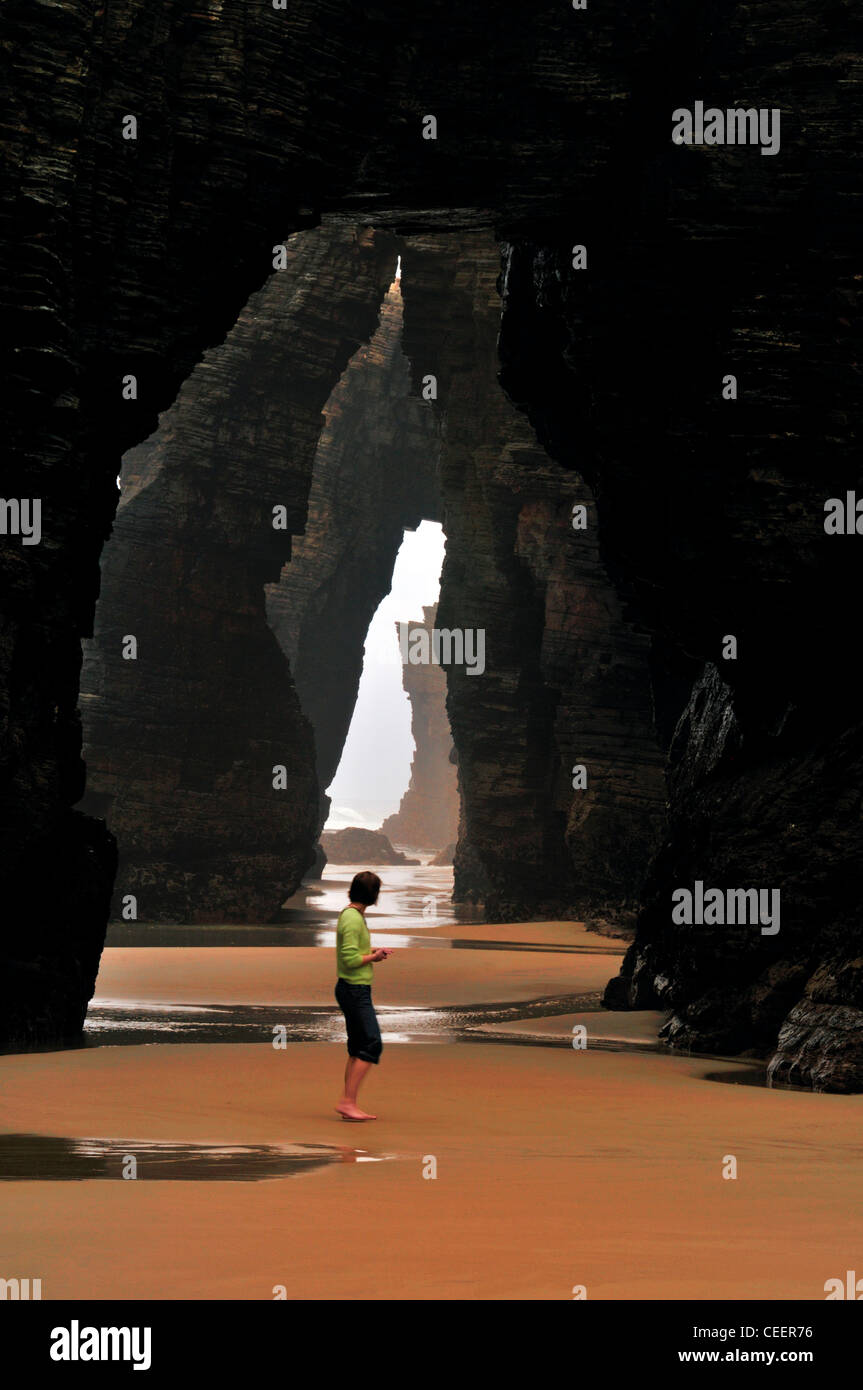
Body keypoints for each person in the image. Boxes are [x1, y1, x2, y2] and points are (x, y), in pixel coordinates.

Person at [334, 870, 391, 1121]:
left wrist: (372, 951)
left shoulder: (352, 915)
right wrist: (374, 957)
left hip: (354, 989)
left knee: (357, 1047)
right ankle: (347, 1102)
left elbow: (354, 952)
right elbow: (348, 960)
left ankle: (349, 1102)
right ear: (373, 895)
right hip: (354, 990)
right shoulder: (353, 919)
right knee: (371, 1043)